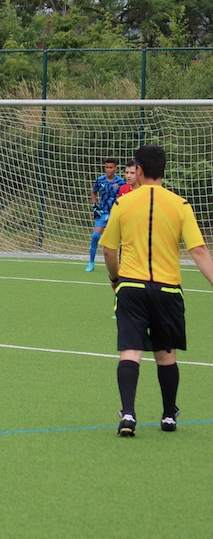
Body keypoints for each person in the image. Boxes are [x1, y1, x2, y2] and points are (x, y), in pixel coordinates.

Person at [100, 144, 213, 436]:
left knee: (130, 350)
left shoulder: (123, 204)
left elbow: (109, 249)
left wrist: (115, 278)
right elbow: (199, 251)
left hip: (131, 287)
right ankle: (168, 416)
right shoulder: (180, 205)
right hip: (168, 289)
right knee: (166, 353)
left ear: (138, 170)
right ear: (163, 170)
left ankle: (128, 414)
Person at [87, 157, 126, 272]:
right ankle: (91, 262)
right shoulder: (100, 180)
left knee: (118, 240)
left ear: (115, 168)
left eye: (111, 167)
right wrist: (95, 206)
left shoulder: (121, 182)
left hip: (115, 213)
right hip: (103, 213)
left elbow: (124, 196)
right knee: (95, 236)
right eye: (106, 167)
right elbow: (93, 192)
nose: (108, 170)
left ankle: (120, 264)